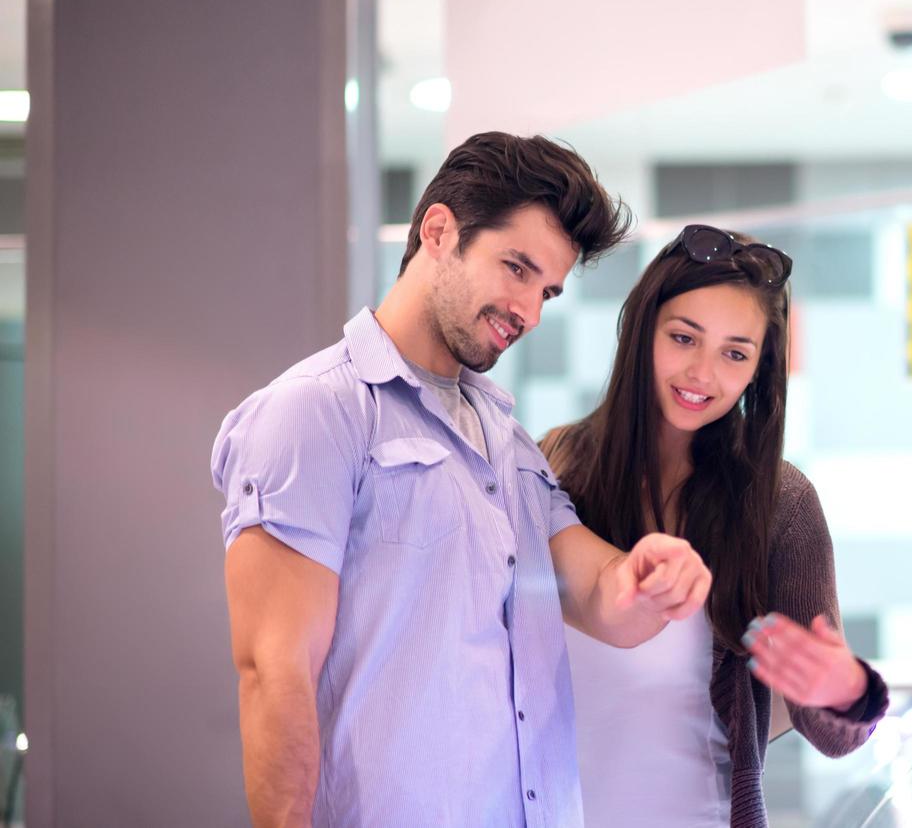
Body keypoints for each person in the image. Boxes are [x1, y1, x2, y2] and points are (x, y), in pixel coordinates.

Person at [210, 132, 713, 828]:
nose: (530, 312)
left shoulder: (505, 439)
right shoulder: (316, 413)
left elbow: (599, 594)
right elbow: (274, 675)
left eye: (547, 290)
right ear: (439, 231)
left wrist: (650, 574)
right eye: (516, 268)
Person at [542, 224, 889, 828]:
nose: (703, 373)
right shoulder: (556, 463)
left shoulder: (780, 502)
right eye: (683, 338)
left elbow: (835, 737)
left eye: (735, 353)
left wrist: (846, 689)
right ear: (642, 329)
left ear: (759, 368)